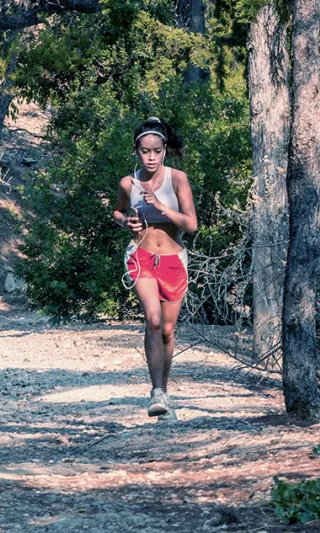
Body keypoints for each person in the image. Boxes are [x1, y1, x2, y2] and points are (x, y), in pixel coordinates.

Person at [112, 117, 198, 423]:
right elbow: (118, 211)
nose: (151, 157)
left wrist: (162, 208)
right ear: (136, 150)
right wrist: (127, 222)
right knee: (152, 319)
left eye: (157, 151)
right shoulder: (129, 183)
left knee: (168, 330)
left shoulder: (177, 179)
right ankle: (157, 392)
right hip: (141, 256)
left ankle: (165, 393)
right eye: (145, 151)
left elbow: (192, 224)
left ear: (164, 151)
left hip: (173, 260)